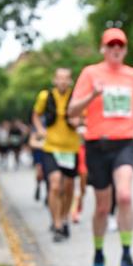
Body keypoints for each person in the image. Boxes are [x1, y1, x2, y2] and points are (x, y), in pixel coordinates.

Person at [68, 27, 133, 266]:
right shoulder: (90, 73)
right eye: (111, 45)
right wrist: (93, 95)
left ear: (125, 49)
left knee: (124, 196)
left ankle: (126, 255)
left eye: (120, 46)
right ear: (103, 48)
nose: (115, 49)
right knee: (102, 207)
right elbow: (71, 112)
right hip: (96, 145)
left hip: (124, 142)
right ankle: (99, 255)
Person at [32, 67, 81, 242]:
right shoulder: (45, 97)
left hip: (70, 149)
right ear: (54, 80)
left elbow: (84, 118)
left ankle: (65, 217)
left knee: (68, 187)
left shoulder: (76, 98)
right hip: (51, 148)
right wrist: (40, 130)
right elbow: (35, 115)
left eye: (66, 78)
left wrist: (79, 121)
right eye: (59, 78)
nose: (62, 81)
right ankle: (57, 223)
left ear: (70, 81)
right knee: (54, 185)